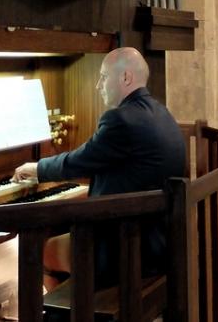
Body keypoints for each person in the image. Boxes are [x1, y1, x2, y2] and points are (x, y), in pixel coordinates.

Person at [12, 47, 186, 290]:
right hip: (157, 239)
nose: (98, 85)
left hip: (128, 246)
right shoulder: (160, 112)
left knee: (39, 249)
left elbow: (78, 162)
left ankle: (67, 312)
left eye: (103, 77)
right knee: (59, 228)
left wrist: (36, 168)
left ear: (125, 77)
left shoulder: (121, 119)